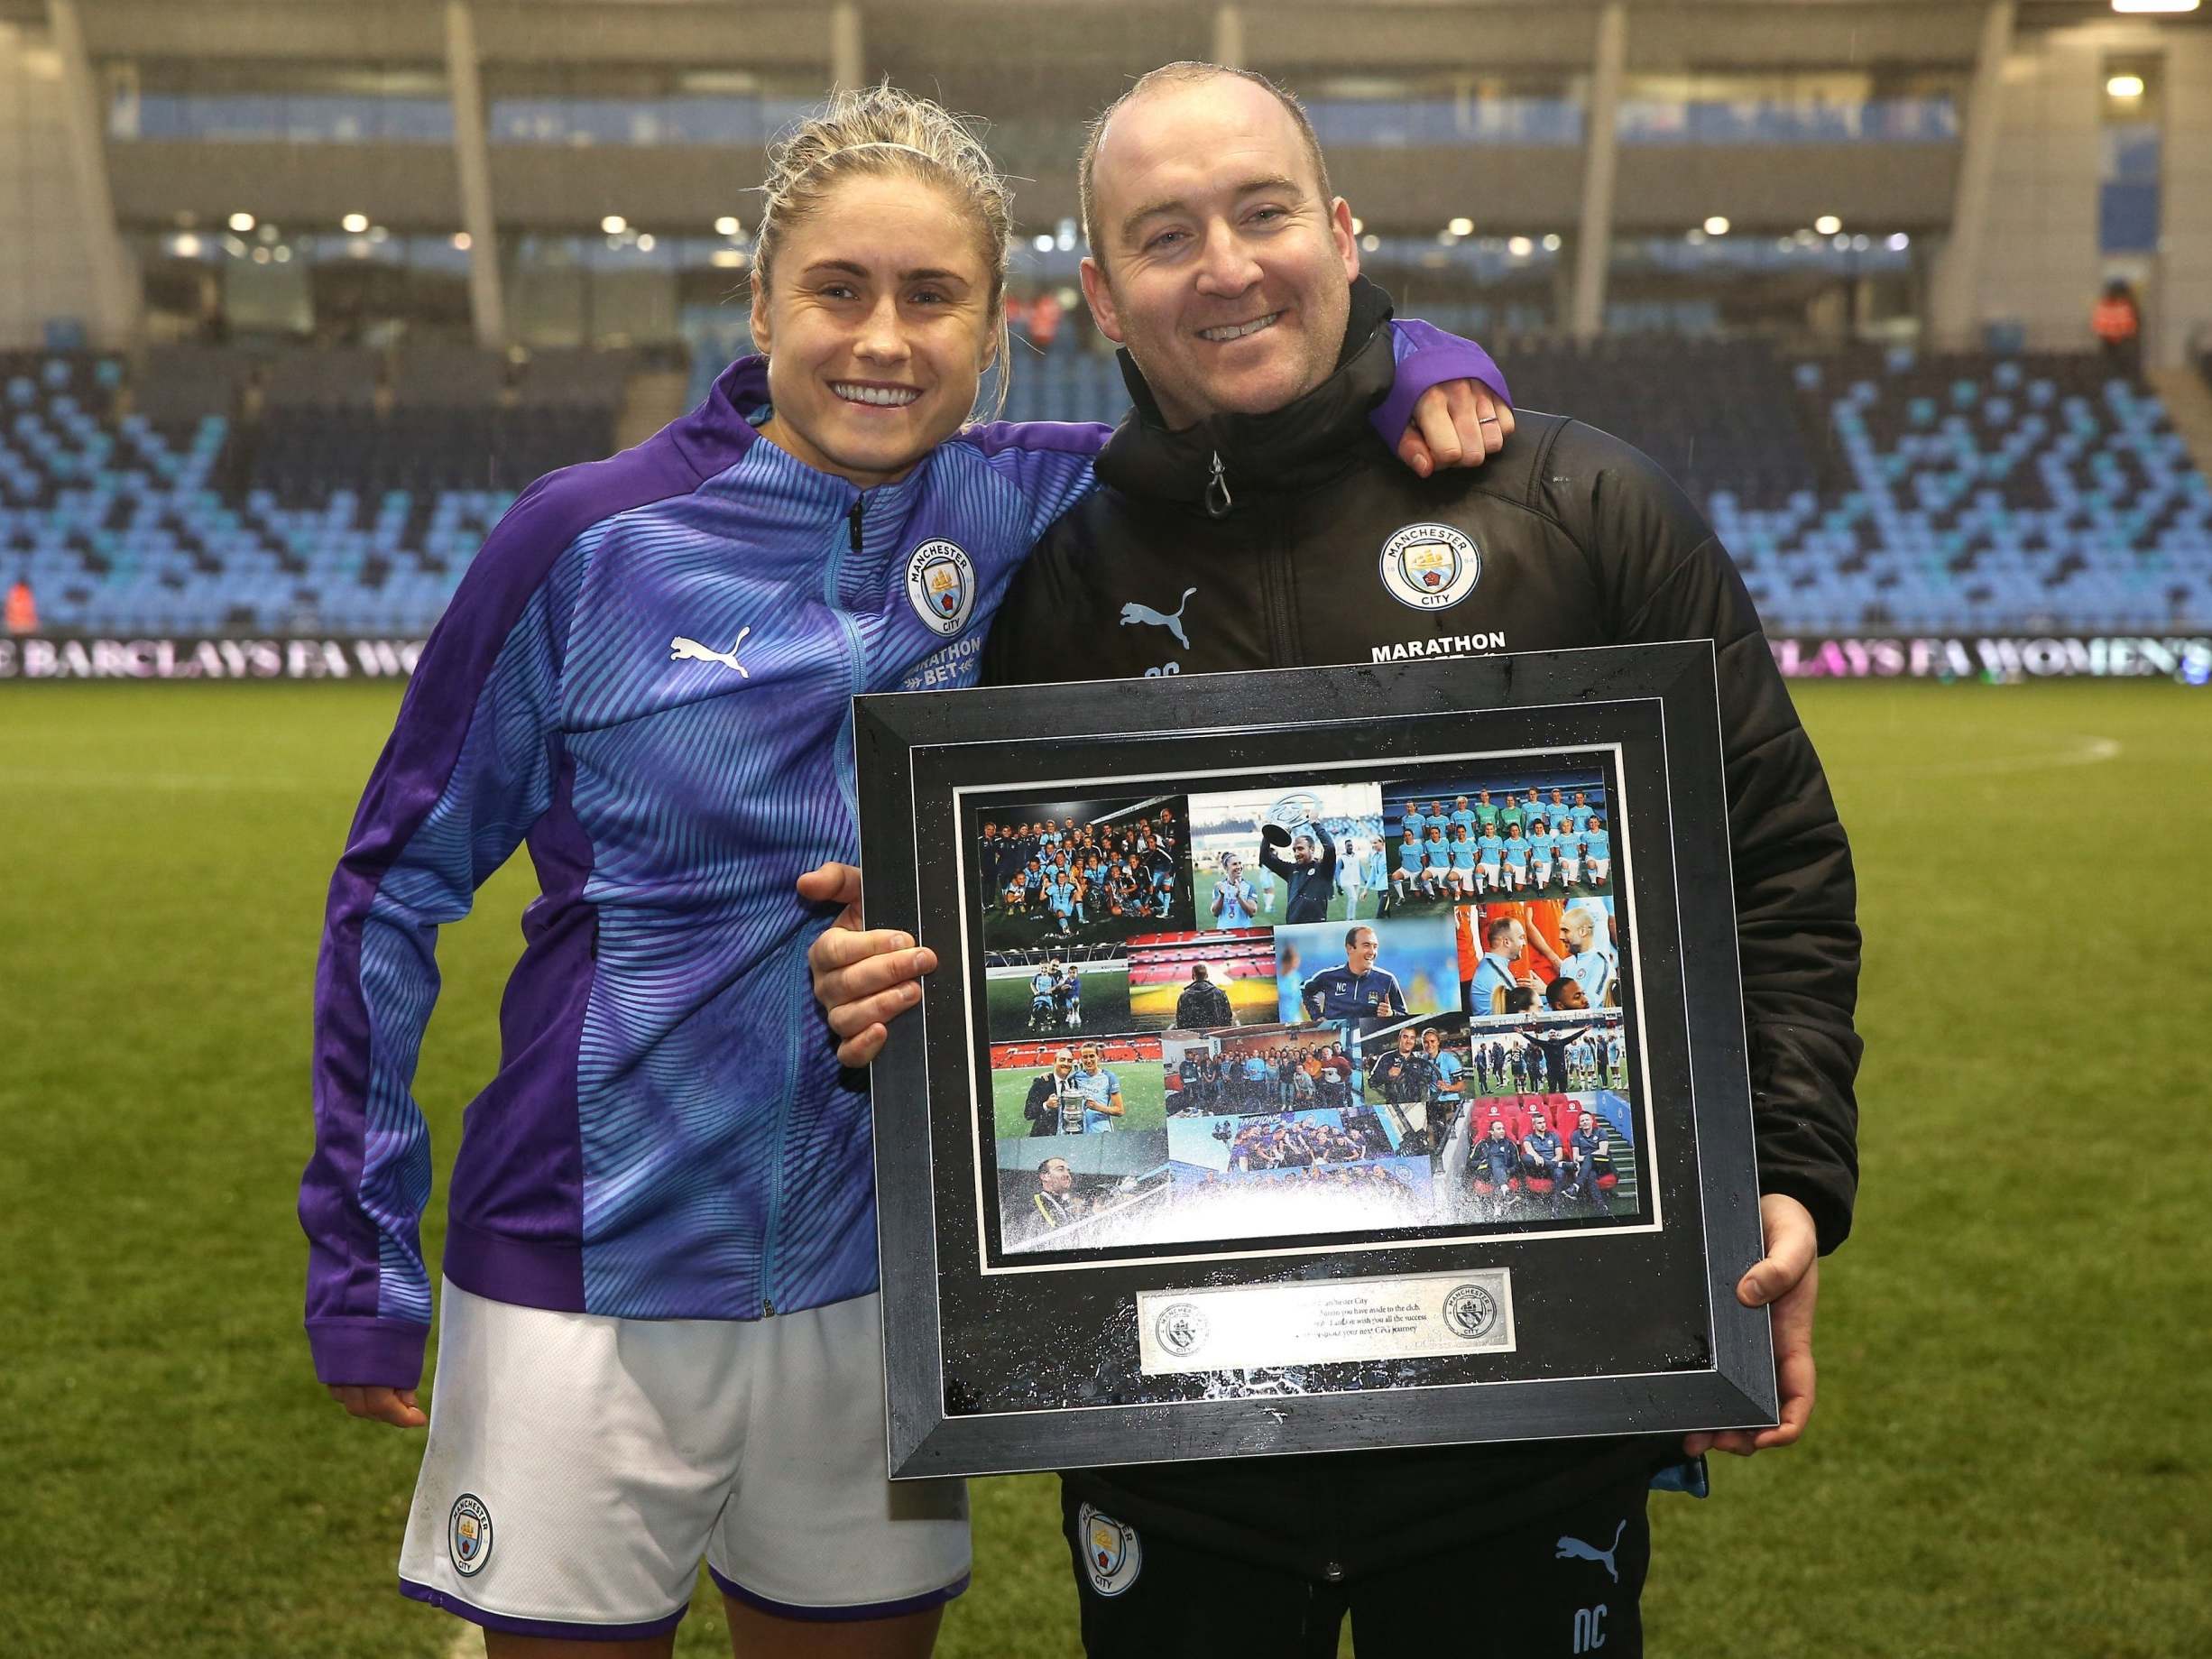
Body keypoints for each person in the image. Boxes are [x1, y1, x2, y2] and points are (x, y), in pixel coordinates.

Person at [301, 81, 1505, 1655]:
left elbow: (1263, 408)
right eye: (838, 290)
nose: (882, 338)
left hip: (883, 1273)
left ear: (994, 326)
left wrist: (1428, 357)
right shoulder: (587, 539)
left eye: (930, 296)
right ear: (760, 304)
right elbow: (395, 886)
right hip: (587, 1251)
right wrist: (363, 1245)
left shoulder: (1037, 495)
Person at [808, 60, 1857, 1659]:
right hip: (1177, 1452)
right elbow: (1007, 942)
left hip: (1529, 1433)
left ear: (1345, 232)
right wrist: (895, 971)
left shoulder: (1575, 503)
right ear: (1097, 293)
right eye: (1164, 236)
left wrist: (1784, 1167)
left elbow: (1770, 856)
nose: (1223, 265)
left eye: (1260, 212)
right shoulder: (1046, 578)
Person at [1299, 925, 1406, 1024]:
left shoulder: (1387, 980)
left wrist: (1392, 1014)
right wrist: (1317, 1016)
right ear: (1350, 948)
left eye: (1375, 946)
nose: (1372, 952)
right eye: (1366, 945)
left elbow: (1405, 1016)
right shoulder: (1329, 976)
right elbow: (1305, 988)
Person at [1258, 824, 1337, 923]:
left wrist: (1315, 824)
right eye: (1294, 850)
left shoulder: (1324, 869)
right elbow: (1265, 858)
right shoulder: (1290, 870)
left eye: (1300, 849)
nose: (1296, 853)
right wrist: (1270, 832)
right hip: (1293, 926)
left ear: (1312, 849)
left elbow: (1330, 848)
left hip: (1316, 926)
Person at [1024, 1047, 1082, 1136]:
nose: (1066, 1063)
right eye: (1062, 1060)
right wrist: (1046, 1105)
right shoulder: (1042, 1082)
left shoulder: (1074, 1084)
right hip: (1046, 1138)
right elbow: (1028, 1113)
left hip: (1069, 1136)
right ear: (1055, 1062)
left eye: (1069, 1061)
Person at [1173, 963, 1234, 1031]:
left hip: (1193, 1037)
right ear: (1207, 975)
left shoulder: (1184, 996)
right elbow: (1227, 1018)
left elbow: (1180, 1021)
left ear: (1193, 976)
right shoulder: (1219, 993)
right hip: (1215, 1036)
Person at [1031, 1155, 1083, 1232]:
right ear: (1045, 1176)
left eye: (1068, 1171)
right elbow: (1056, 1233)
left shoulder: (1064, 1206)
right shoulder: (1038, 1200)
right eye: (1060, 1170)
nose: (1067, 1175)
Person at [1210, 851, 1262, 926]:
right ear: (1225, 867)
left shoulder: (1249, 886)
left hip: (1245, 931)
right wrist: (1221, 896)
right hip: (1224, 931)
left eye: (1240, 863)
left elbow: (1252, 913)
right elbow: (1215, 913)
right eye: (1234, 864)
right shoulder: (1220, 886)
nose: (1239, 867)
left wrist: (1239, 897)